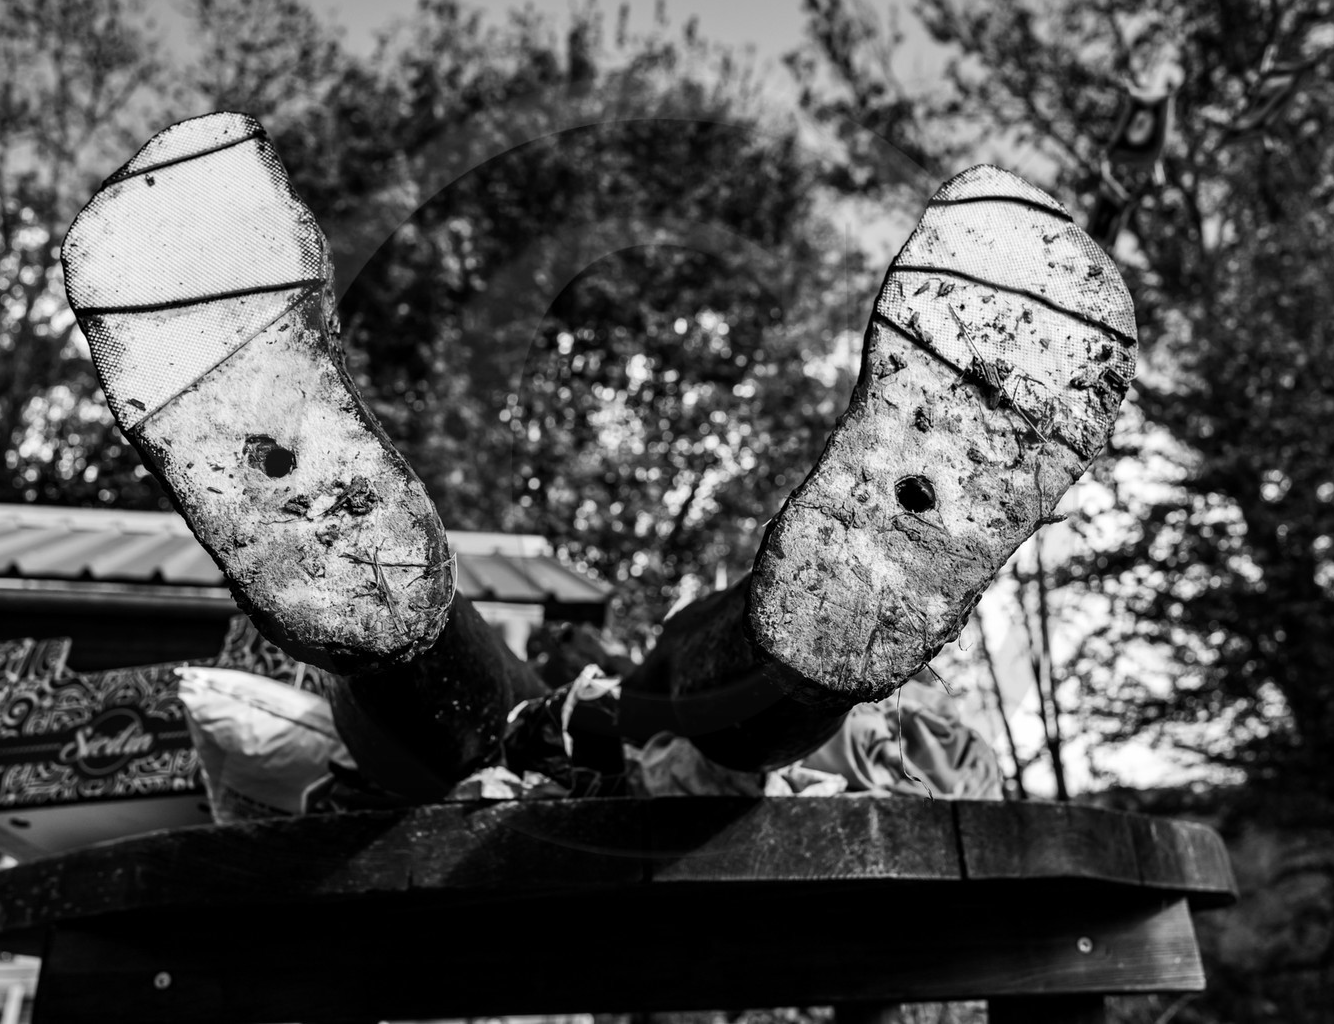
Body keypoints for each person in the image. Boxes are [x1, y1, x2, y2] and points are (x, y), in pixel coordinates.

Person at [61, 113, 1135, 800]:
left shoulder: (548, 680)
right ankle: (804, 650)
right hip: (663, 743)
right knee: (702, 677)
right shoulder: (630, 676)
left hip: (519, 740)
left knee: (449, 691)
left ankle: (382, 613)